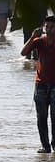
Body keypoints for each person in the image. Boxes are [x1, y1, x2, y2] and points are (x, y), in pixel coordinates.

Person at [20, 16, 55, 152]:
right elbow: (23, 52)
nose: (48, 29)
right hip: (40, 85)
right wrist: (32, 36)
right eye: (47, 26)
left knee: (54, 117)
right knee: (41, 118)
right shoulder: (39, 41)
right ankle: (45, 146)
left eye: (52, 27)